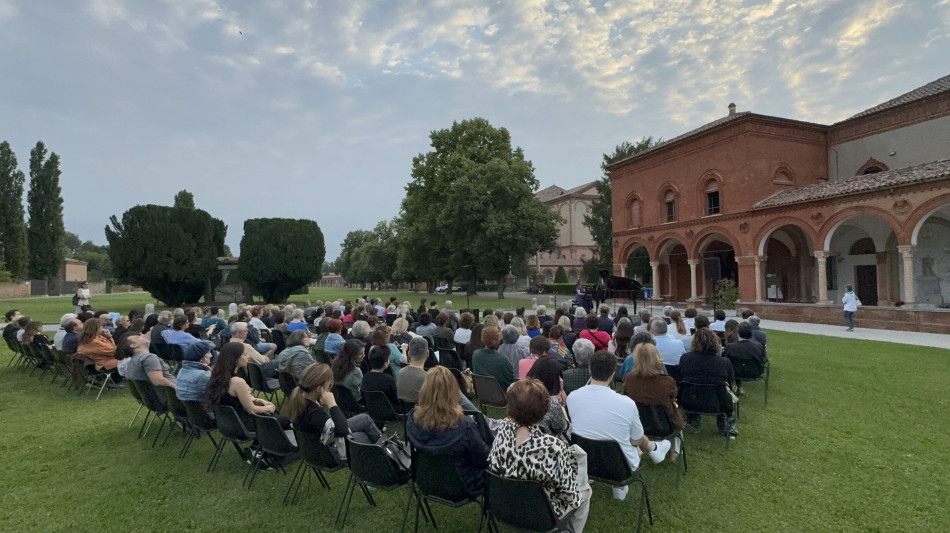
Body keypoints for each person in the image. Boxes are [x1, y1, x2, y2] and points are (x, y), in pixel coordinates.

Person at [567, 350, 671, 501]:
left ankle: (653, 450)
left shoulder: (572, 397)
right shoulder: (626, 403)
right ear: (612, 375)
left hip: (585, 463)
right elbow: (636, 441)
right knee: (627, 438)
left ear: (590, 369)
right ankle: (652, 450)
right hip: (619, 468)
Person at [489, 378, 590, 532]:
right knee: (585, 491)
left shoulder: (503, 429)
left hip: (506, 504)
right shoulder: (553, 446)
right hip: (543, 515)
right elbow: (571, 496)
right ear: (544, 411)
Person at [406, 366, 490, 496]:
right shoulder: (464, 426)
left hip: (426, 480)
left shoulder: (412, 419)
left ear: (425, 390)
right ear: (453, 392)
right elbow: (484, 459)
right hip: (462, 486)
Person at [289, 362, 382, 465]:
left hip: (315, 447)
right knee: (364, 436)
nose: (330, 386)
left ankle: (386, 447)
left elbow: (331, 427)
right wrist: (332, 403)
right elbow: (343, 431)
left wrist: (341, 427)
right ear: (319, 389)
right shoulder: (315, 414)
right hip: (329, 454)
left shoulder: (300, 399)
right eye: (329, 384)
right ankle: (386, 452)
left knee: (364, 419)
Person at [205, 342, 289, 442]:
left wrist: (258, 400)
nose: (248, 357)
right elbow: (251, 409)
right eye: (245, 355)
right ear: (235, 359)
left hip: (228, 425)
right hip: (244, 425)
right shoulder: (237, 382)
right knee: (286, 421)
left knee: (271, 414)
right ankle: (275, 450)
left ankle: (260, 448)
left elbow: (234, 400)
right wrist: (269, 407)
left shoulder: (216, 377)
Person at [623, 343, 685, 460]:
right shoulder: (667, 381)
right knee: (676, 415)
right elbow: (673, 397)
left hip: (638, 424)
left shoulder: (630, 379)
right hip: (665, 426)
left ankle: (669, 450)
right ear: (657, 358)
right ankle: (674, 453)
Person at [679, 329, 737, 437]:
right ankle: (725, 423)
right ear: (716, 342)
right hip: (718, 404)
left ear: (694, 342)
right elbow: (730, 381)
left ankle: (693, 420)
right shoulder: (724, 362)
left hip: (689, 401)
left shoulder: (685, 358)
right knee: (727, 390)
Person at [525, 355, 571, 442]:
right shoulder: (551, 403)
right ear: (552, 379)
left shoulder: (518, 392)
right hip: (547, 445)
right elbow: (565, 430)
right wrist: (564, 411)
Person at [723, 322, 767, 395]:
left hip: (734, 373)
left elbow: (726, 361)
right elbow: (763, 359)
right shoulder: (758, 346)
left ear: (738, 332)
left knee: (733, 366)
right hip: (755, 373)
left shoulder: (730, 347)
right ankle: (739, 389)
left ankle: (733, 389)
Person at [472, 325, 515, 390]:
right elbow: (511, 381)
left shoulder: (476, 354)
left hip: (482, 392)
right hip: (501, 394)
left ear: (482, 338)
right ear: (498, 340)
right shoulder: (502, 360)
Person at [332, 339, 366, 408]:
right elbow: (364, 389)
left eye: (364, 352)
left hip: (339, 401)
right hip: (356, 402)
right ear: (352, 355)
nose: (364, 355)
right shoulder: (355, 371)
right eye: (360, 354)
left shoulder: (335, 365)